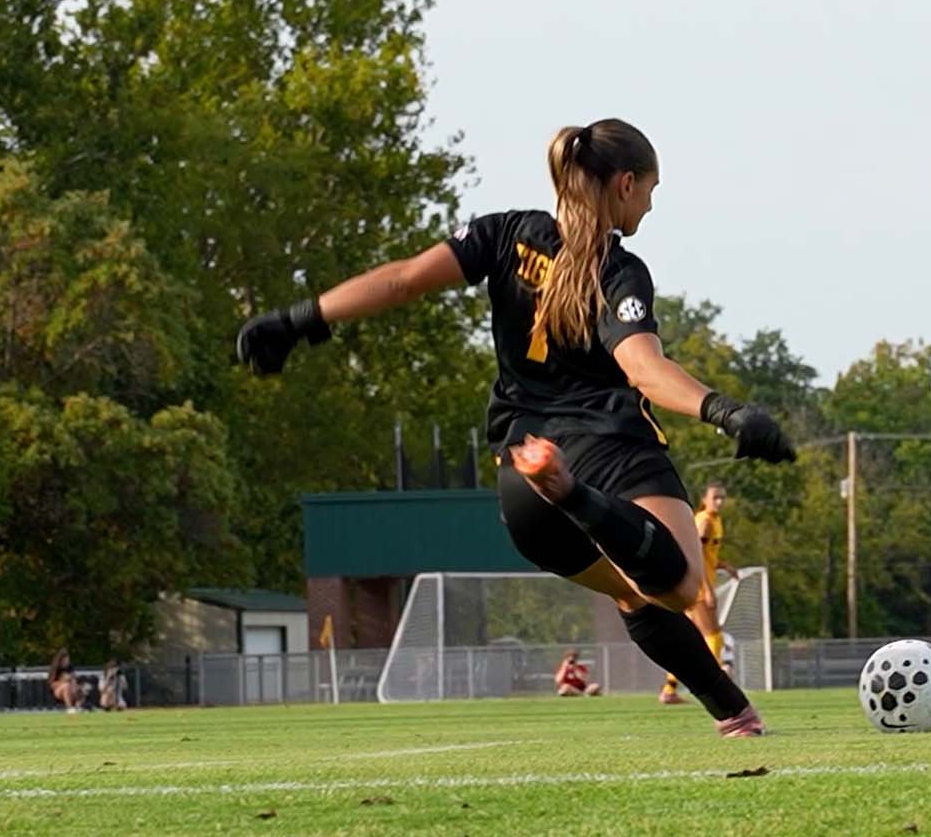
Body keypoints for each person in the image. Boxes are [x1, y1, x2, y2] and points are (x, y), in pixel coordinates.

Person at [236, 119, 795, 738]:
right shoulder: (618, 271)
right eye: (650, 190)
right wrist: (726, 411)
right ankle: (575, 494)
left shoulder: (502, 233)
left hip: (521, 474)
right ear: (625, 184)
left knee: (632, 594)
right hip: (611, 450)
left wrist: (299, 318)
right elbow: (644, 369)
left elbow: (402, 278)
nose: (650, 205)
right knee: (683, 586)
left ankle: (736, 714)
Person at [659, 482, 728, 705]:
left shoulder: (715, 520)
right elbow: (694, 553)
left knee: (689, 641)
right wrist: (707, 590)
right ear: (705, 499)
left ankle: (669, 689)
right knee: (714, 635)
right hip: (698, 585)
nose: (719, 502)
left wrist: (724, 566)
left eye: (722, 498)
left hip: (698, 583)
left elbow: (707, 555)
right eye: (715, 497)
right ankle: (718, 687)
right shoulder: (705, 521)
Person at [48, 649, 85, 713]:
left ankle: (78, 707)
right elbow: (51, 685)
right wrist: (63, 681)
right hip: (58, 691)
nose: (66, 662)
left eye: (68, 660)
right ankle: (69, 708)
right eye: (64, 660)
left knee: (83, 688)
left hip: (72, 687)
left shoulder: (70, 667)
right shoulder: (55, 668)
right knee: (66, 686)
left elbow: (74, 678)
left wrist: (77, 685)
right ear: (60, 661)